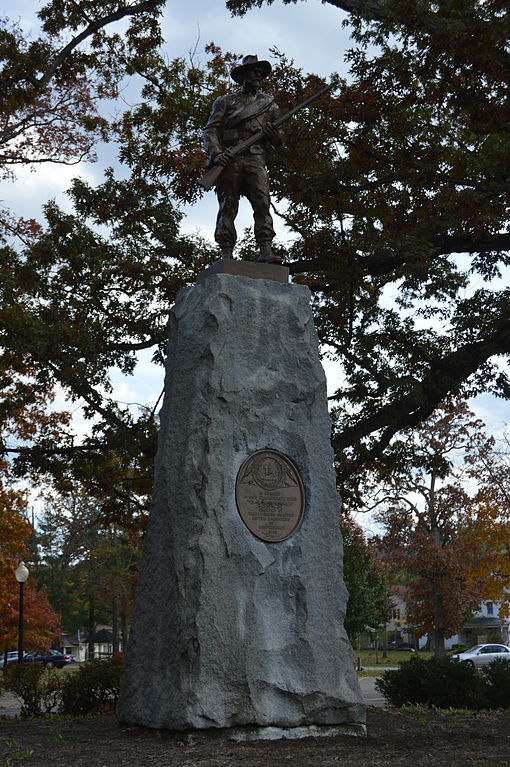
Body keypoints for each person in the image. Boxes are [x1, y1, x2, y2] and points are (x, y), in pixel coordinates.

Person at [203, 55, 282, 264]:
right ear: (243, 75)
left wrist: (273, 134)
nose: (257, 75)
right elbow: (211, 130)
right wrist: (217, 154)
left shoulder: (269, 104)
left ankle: (265, 249)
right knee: (228, 206)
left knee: (262, 203)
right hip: (230, 158)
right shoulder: (225, 101)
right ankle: (226, 252)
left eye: (260, 72)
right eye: (253, 71)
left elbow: (279, 140)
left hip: (256, 158)